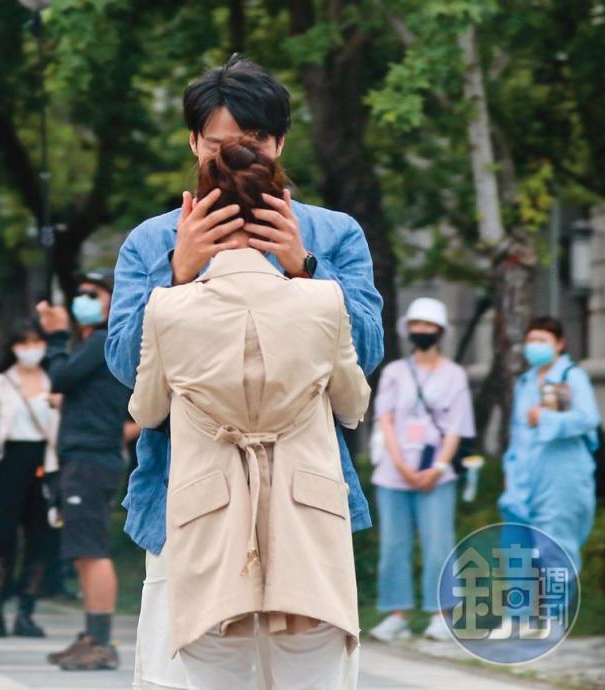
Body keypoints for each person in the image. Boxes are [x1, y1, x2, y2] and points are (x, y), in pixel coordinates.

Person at [104, 55, 384, 689]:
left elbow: (364, 355)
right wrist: (177, 273)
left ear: (279, 143)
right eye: (218, 145)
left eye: (252, 143)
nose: (235, 158)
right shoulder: (153, 241)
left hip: (303, 497)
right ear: (194, 143)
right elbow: (125, 368)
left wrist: (304, 266)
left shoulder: (332, 233)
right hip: (187, 495)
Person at [36, 269, 132, 671]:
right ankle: (91, 634)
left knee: (92, 550)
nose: (84, 299)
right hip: (84, 457)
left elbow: (59, 378)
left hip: (92, 458)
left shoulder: (104, 340)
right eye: (81, 292)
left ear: (113, 300)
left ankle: (102, 641)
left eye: (94, 293)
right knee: (82, 550)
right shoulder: (95, 344)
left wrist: (56, 337)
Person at [368, 298, 474, 643]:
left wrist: (438, 467)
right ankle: (396, 614)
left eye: (428, 327)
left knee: (438, 544)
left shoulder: (455, 375)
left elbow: (456, 427)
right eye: (417, 326)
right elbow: (384, 419)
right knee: (394, 545)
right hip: (393, 474)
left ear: (440, 333)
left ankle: (441, 614)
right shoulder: (395, 372)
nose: (422, 332)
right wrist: (400, 464)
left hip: (436, 475)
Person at [0, 320, 60, 639]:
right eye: (24, 342)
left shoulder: (54, 382)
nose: (31, 348)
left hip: (44, 464)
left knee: (40, 538)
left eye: (37, 341)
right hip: (7, 463)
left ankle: (26, 611)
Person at [499, 316, 600, 574]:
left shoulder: (571, 376)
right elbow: (517, 433)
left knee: (555, 550)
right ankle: (518, 612)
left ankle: (555, 613)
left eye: (542, 340)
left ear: (559, 344)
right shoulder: (525, 381)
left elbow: (588, 418)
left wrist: (545, 418)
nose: (535, 346)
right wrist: (510, 475)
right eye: (531, 340)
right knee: (515, 552)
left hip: (561, 479)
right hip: (522, 482)